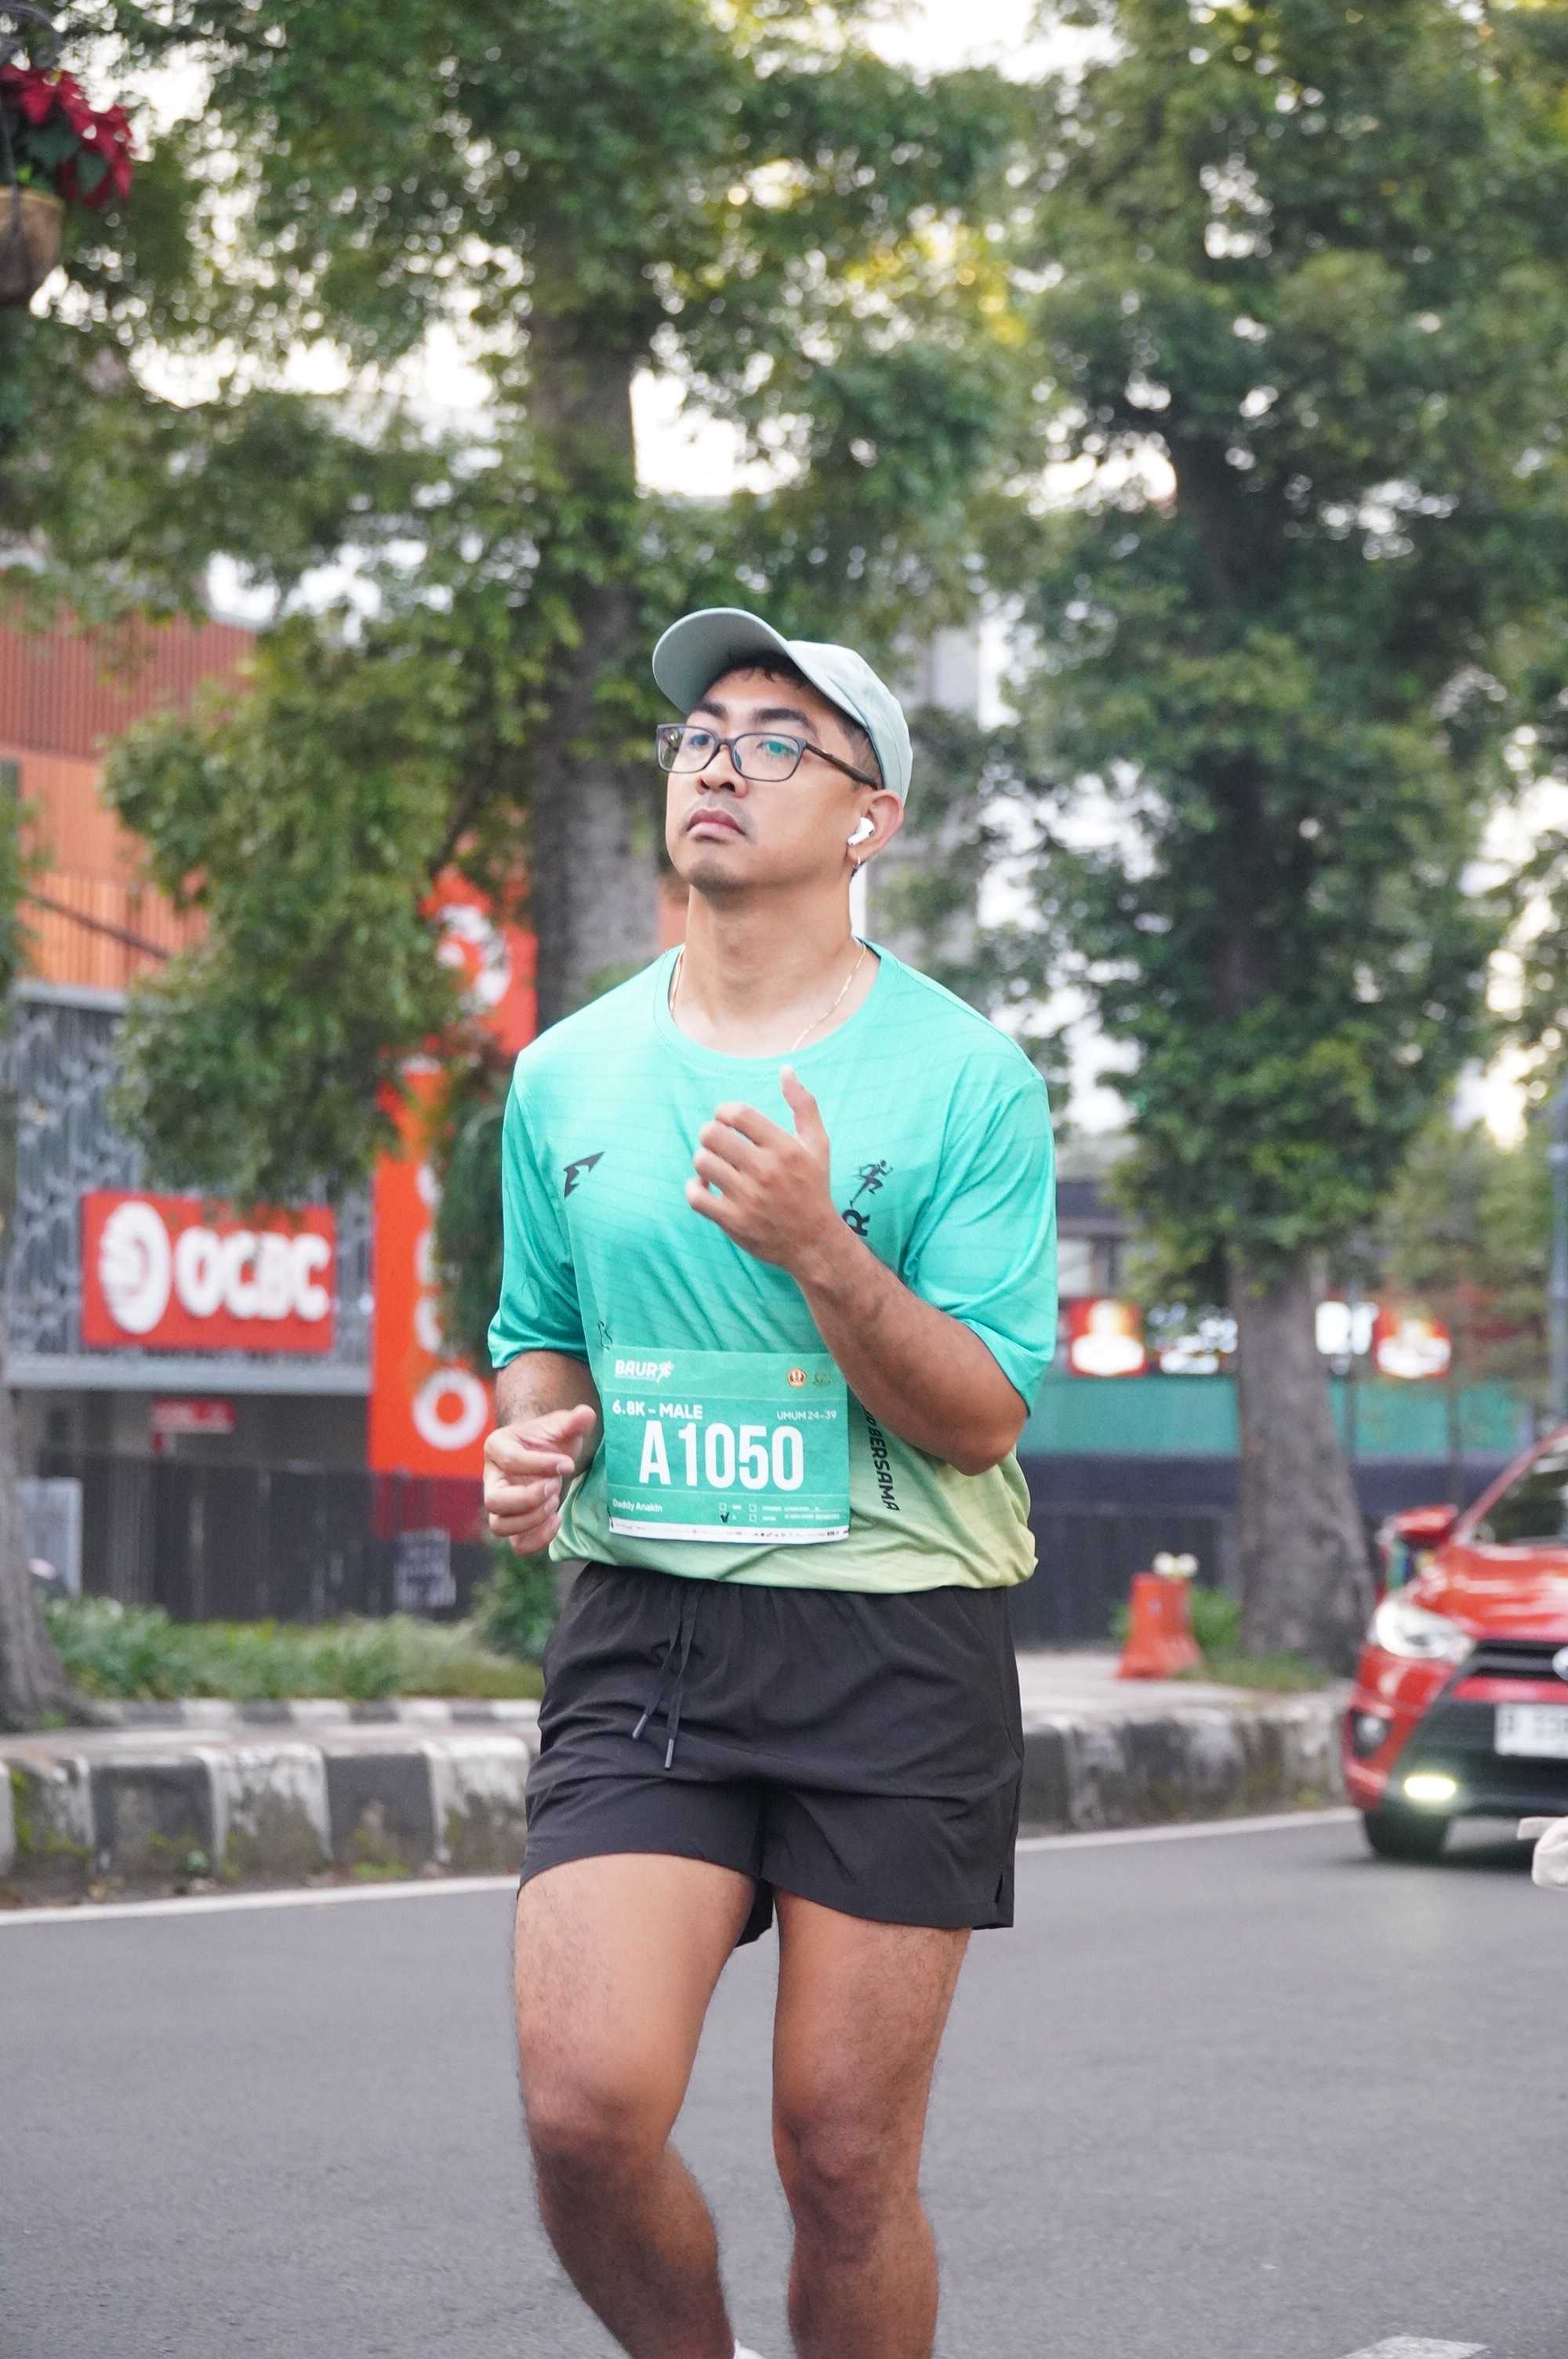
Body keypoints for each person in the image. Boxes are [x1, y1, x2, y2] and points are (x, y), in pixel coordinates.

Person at [483, 605, 1058, 2359]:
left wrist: (821, 1247)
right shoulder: (566, 1071)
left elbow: (981, 1416)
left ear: (870, 818)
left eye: (776, 741)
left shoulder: (964, 1080)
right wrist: (533, 1431)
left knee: (842, 2154)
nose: (719, 764)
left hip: (895, 1639)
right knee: (584, 2111)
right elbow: (537, 1333)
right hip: (647, 1626)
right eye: (699, 735)